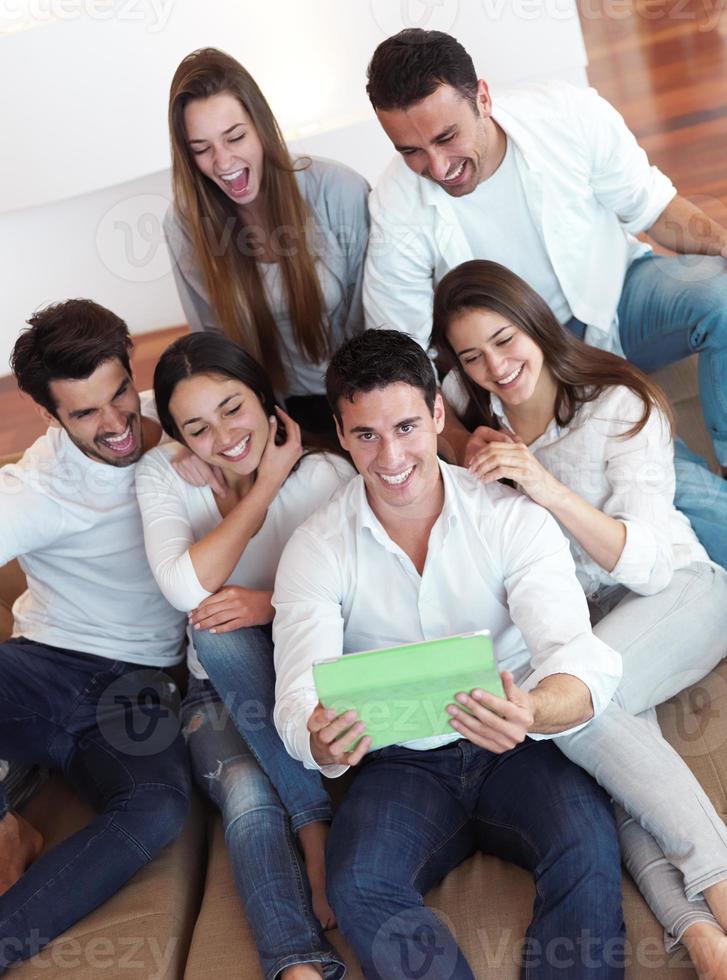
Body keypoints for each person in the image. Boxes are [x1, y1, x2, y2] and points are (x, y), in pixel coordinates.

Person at [273, 329, 627, 979]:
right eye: (365, 436)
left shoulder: (508, 518)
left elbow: (576, 654)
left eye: (406, 426)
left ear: (438, 413)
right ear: (341, 433)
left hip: (517, 746)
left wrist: (533, 709)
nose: (390, 457)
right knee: (358, 885)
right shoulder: (315, 547)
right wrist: (318, 740)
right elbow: (296, 698)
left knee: (588, 850)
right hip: (401, 766)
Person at [430, 259, 727, 979]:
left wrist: (542, 486)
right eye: (472, 357)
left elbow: (652, 565)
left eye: (504, 341)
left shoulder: (620, 405)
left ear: (533, 322)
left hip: (680, 594)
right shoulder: (483, 435)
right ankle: (701, 940)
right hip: (589, 627)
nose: (495, 367)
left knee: (582, 714)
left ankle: (717, 892)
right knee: (600, 747)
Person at [362, 28, 727, 566]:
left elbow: (656, 209)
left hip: (616, 298)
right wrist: (461, 443)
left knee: (719, 292)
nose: (437, 169)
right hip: (522, 367)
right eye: (411, 150)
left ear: (483, 98)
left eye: (446, 139)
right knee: (677, 488)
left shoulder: (568, 114)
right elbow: (402, 358)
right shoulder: (397, 206)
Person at [135, 332, 353, 980]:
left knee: (224, 626)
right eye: (196, 428)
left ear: (264, 398)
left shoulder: (325, 475)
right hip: (216, 694)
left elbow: (363, 599)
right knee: (247, 792)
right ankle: (298, 966)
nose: (224, 437)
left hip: (307, 676)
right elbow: (183, 587)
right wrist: (263, 484)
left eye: (233, 408)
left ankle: (312, 834)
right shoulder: (165, 475)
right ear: (177, 437)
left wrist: (268, 603)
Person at [0, 300, 190, 972]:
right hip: (44, 667)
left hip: (139, 688)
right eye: (85, 414)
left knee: (159, 809)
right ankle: (7, 826)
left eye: (117, 396)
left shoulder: (181, 426)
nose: (115, 426)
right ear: (51, 416)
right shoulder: (35, 489)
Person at [166, 46, 370, 445]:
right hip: (270, 411)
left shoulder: (338, 190)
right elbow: (213, 347)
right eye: (202, 149)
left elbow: (377, 313)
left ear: (262, 127)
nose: (223, 162)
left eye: (236, 137)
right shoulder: (184, 226)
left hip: (362, 394)